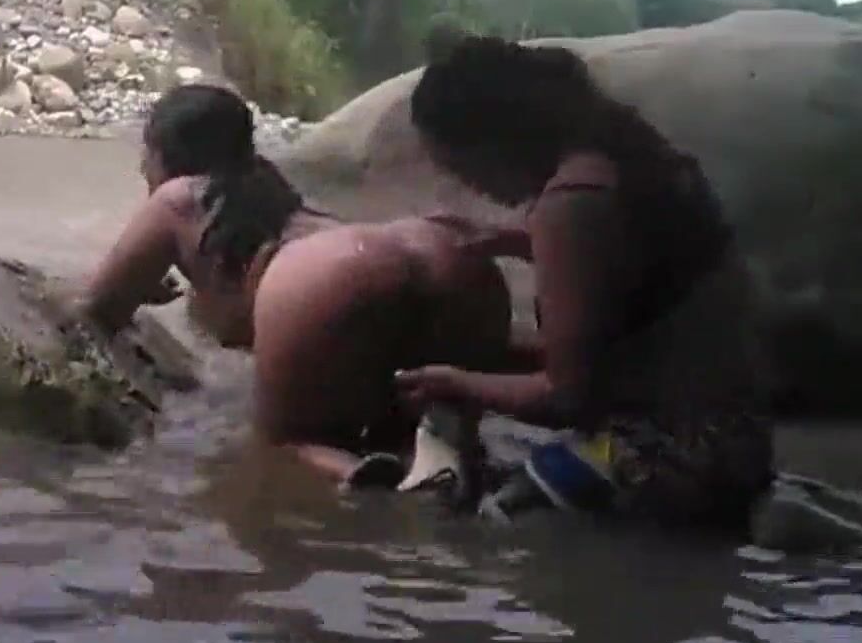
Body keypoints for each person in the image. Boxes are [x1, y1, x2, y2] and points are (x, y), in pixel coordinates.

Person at [393, 35, 776, 528]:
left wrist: (455, 383)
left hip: (674, 458)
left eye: (458, 166)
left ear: (492, 141)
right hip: (738, 444)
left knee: (484, 516)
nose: (466, 184)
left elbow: (567, 396)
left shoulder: (572, 203)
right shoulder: (635, 162)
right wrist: (513, 241)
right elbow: (642, 275)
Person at [77, 83, 516, 490]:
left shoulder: (177, 197)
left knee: (286, 446)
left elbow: (94, 309)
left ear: (163, 152)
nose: (141, 167)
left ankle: (377, 486)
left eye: (146, 153)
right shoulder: (266, 184)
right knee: (403, 425)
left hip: (325, 276)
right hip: (439, 254)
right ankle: (440, 455)